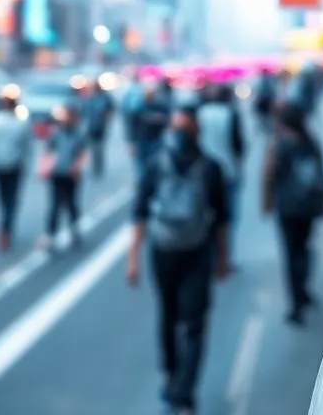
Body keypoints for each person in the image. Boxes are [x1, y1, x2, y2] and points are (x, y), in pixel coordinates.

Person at [127, 107, 229, 415]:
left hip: (164, 250)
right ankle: (184, 392)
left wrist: (133, 257)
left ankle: (172, 380)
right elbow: (222, 218)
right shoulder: (211, 167)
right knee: (194, 325)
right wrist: (223, 258)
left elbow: (141, 210)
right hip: (197, 251)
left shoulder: (156, 162)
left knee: (169, 317)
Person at [262, 103, 323, 325]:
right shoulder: (311, 142)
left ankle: (296, 304)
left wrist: (266, 202)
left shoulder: (278, 143)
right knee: (304, 248)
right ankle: (304, 290)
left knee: (291, 254)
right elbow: (321, 173)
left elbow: (268, 175)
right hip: (308, 206)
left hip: (288, 208)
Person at [196, 83, 246, 266]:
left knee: (205, 214)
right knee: (227, 217)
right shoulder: (231, 114)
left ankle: (209, 255)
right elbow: (238, 146)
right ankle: (225, 257)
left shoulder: (200, 113)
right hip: (227, 172)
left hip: (203, 172)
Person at [0, 95, 32, 251]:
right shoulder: (20, 124)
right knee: (12, 199)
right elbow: (26, 147)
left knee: (2, 198)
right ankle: (6, 226)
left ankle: (4, 226)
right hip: (14, 166)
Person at [39, 105, 88, 251]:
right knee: (55, 204)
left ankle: (74, 229)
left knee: (72, 203)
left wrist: (77, 166)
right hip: (57, 173)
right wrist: (45, 168)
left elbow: (82, 152)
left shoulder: (78, 133)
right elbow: (48, 151)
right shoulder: (55, 133)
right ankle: (51, 234)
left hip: (71, 173)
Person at [132, 80, 172, 182]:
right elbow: (133, 125)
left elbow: (168, 121)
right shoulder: (139, 106)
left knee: (154, 164)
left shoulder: (161, 106)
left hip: (156, 140)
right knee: (141, 166)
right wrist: (132, 142)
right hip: (142, 140)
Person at [80, 79, 113, 178]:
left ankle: (99, 166)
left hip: (101, 127)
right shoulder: (89, 98)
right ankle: (94, 167)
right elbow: (83, 112)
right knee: (93, 148)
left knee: (99, 149)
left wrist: (106, 117)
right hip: (91, 127)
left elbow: (110, 109)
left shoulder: (105, 98)